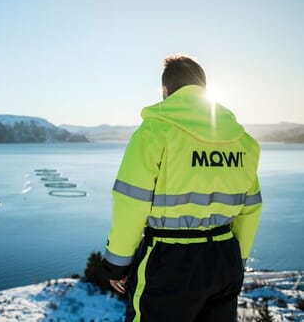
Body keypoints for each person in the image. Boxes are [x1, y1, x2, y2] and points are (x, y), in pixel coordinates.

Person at [101, 55, 262, 322]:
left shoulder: (154, 132)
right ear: (205, 88)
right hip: (224, 258)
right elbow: (251, 208)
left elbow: (131, 202)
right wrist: (238, 259)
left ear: (165, 90)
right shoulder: (242, 141)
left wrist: (117, 264)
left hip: (169, 260)